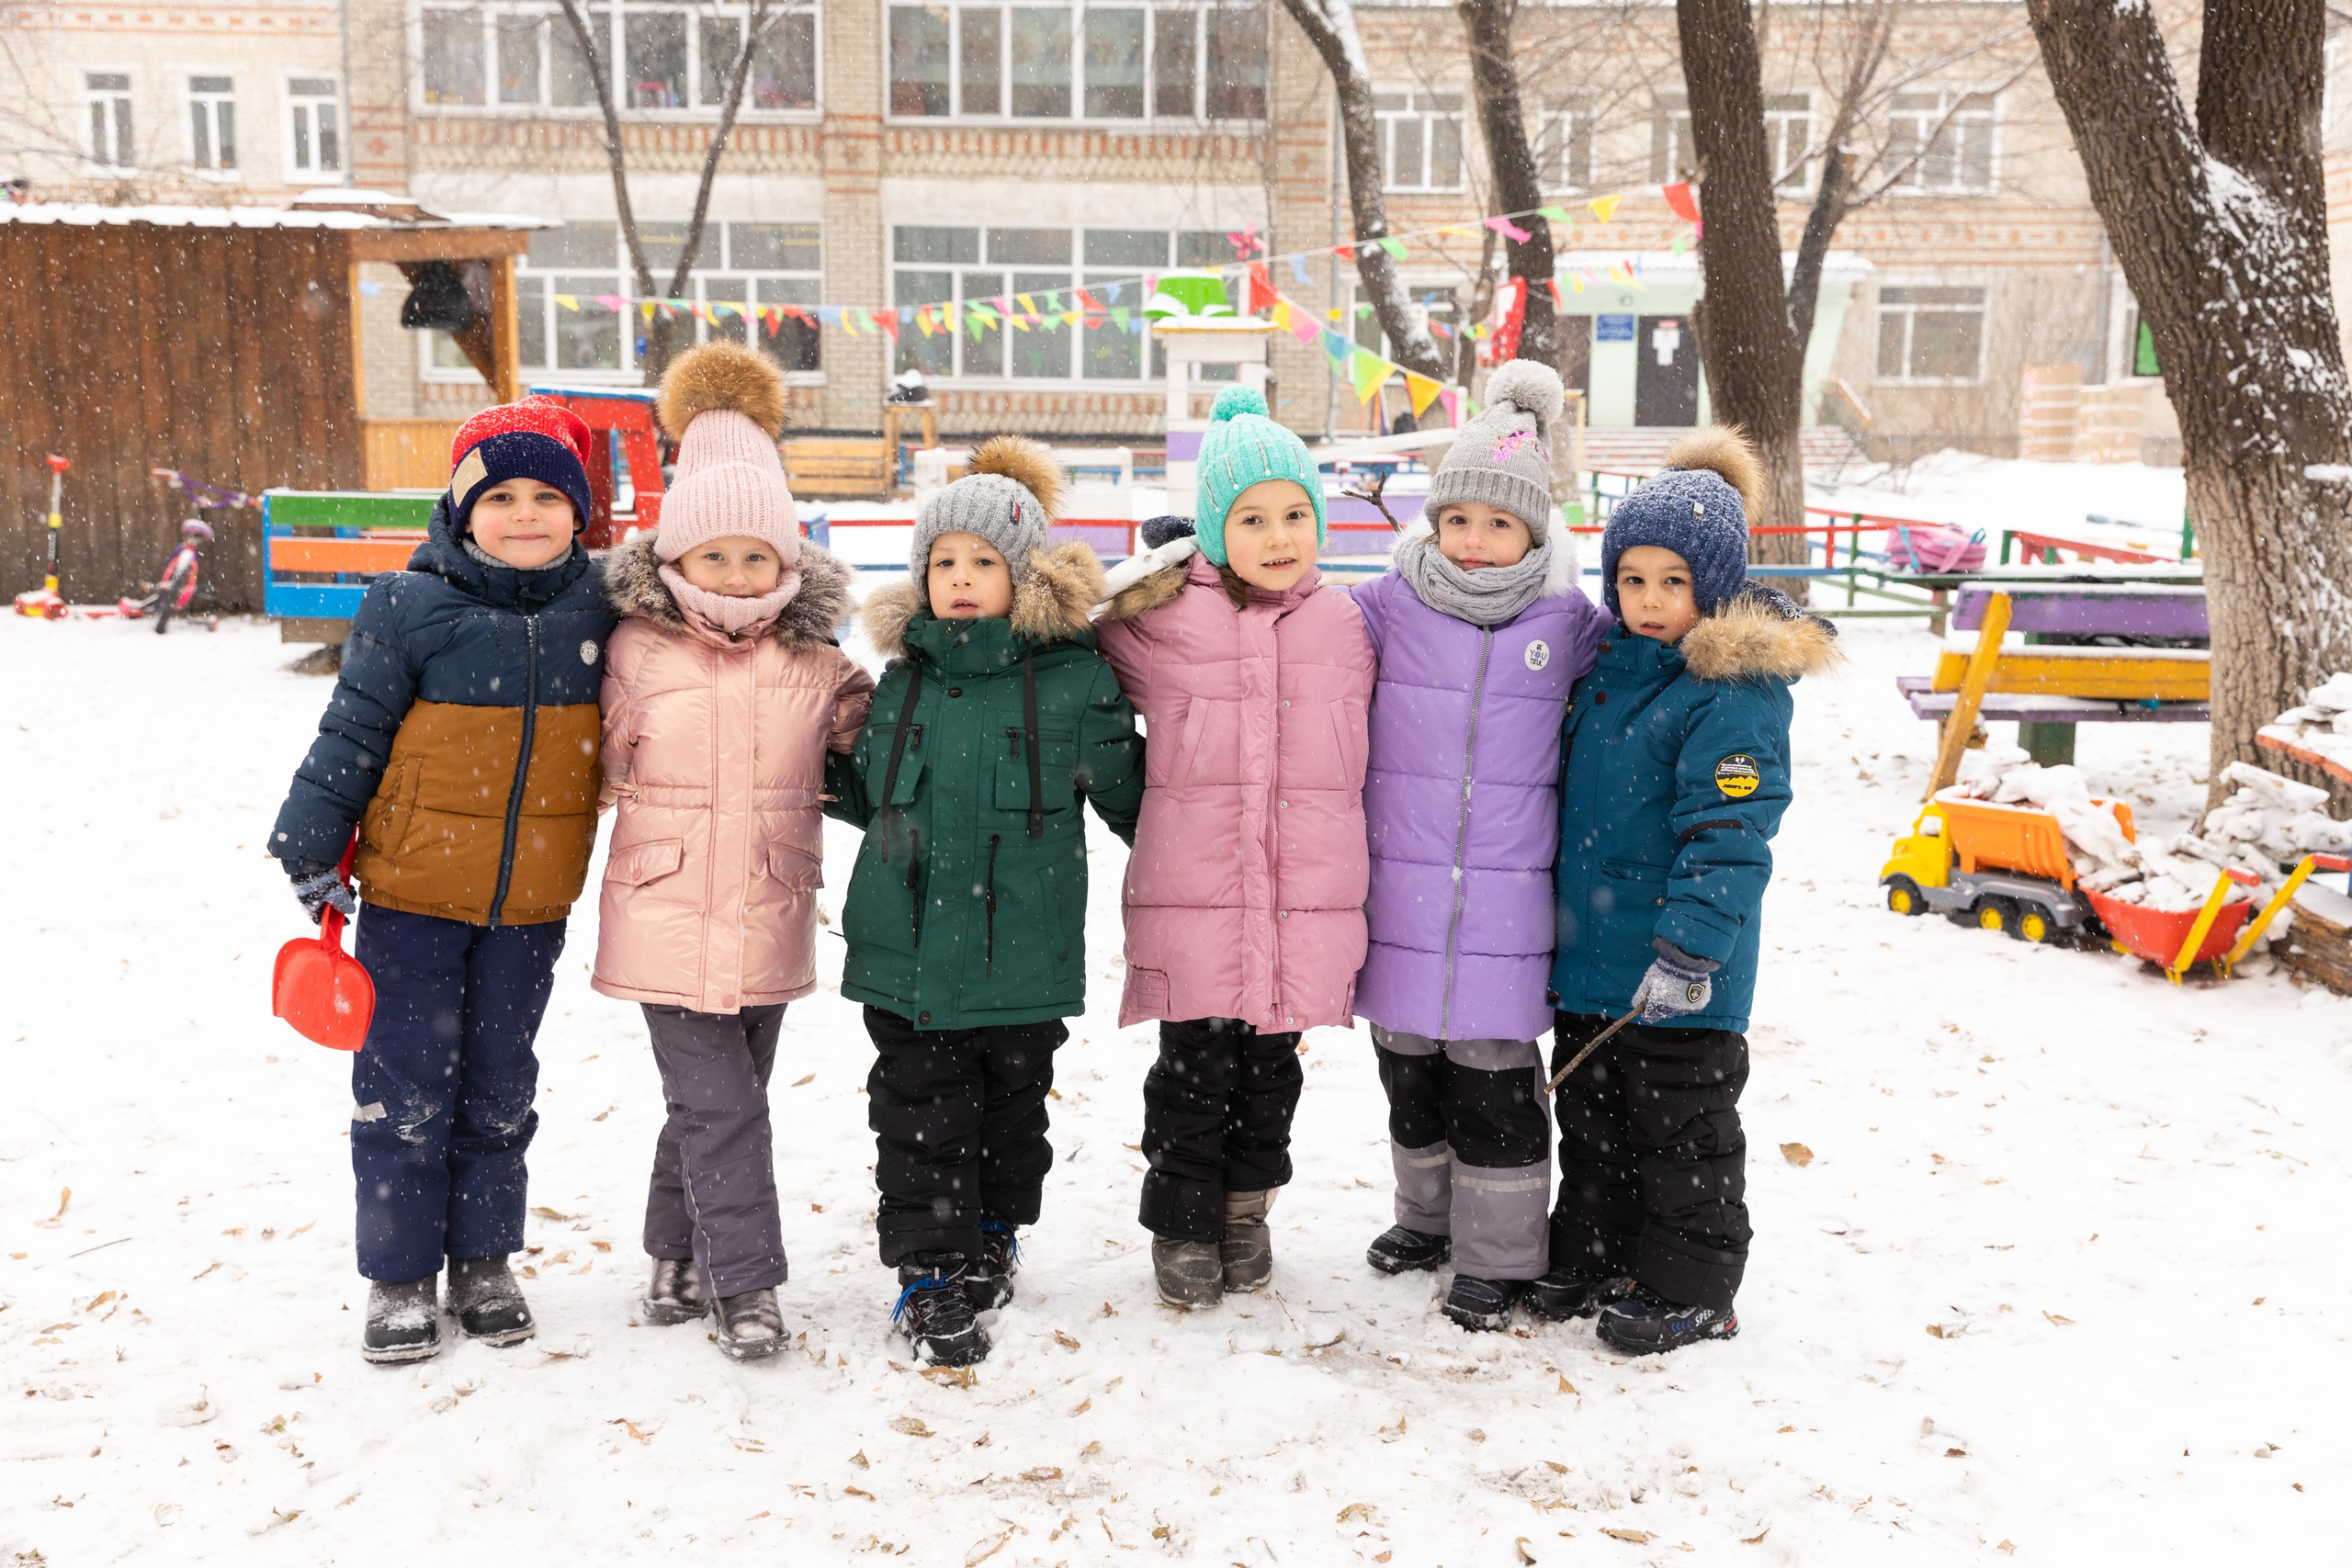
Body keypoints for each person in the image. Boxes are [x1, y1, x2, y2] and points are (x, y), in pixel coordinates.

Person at [269, 398, 614, 1364]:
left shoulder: (599, 607)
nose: (525, 514)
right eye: (499, 495)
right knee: (402, 1085)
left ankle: (485, 1262)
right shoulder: (408, 606)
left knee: (502, 1085)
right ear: (461, 510)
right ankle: (400, 1275)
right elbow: (352, 731)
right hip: (411, 893)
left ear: (578, 513)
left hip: (531, 901)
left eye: (548, 495)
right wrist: (311, 843)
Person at [827, 436, 1145, 1367]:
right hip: (907, 948)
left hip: (1023, 957)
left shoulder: (1078, 683)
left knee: (1010, 1116)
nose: (960, 580)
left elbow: (1138, 805)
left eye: (983, 563)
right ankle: (929, 1269)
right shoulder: (903, 679)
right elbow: (874, 795)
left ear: (1026, 576)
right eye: (943, 563)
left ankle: (995, 1231)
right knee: (918, 1114)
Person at [592, 342, 874, 1360]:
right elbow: (574, 761)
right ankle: (741, 1285)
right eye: (715, 555)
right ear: (673, 559)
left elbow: (871, 754)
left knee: (719, 1105)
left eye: (759, 556)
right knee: (724, 1111)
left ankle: (671, 1251)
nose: (738, 573)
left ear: (789, 562)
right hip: (664, 912)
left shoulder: (816, 662)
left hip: (767, 908)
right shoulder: (628, 649)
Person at [1532, 426, 1839, 1354]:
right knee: (1595, 1122)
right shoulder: (1610, 672)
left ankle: (1693, 1284)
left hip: (1679, 972)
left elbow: (1729, 835)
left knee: (1682, 1135)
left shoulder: (1728, 693)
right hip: (1594, 961)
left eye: (1673, 581)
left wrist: (1690, 949)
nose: (1651, 600)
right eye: (1632, 579)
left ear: (1711, 584)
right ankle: (1594, 1249)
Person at [1095, 385, 1376, 1310]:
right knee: (1190, 1077)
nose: (1279, 534)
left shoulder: (1346, 624)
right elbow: (1068, 642)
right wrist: (1141, 577)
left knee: (1270, 1077)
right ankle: (1182, 1228)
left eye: (1295, 512)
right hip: (1197, 894)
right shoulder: (1164, 620)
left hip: (1302, 900)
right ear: (1214, 530)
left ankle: (1245, 1214)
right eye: (1251, 517)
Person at [1347, 360, 1614, 1331]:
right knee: (1409, 1078)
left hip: (1507, 907)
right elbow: (1285, 632)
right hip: (1403, 901)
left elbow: (1650, 656)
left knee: (1496, 1091)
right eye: (1456, 518)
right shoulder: (1385, 606)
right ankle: (1425, 1220)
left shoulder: (1566, 624)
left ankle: (1498, 1257)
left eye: (1497, 523)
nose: (1473, 540)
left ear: (1534, 532)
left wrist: (1735, 639)